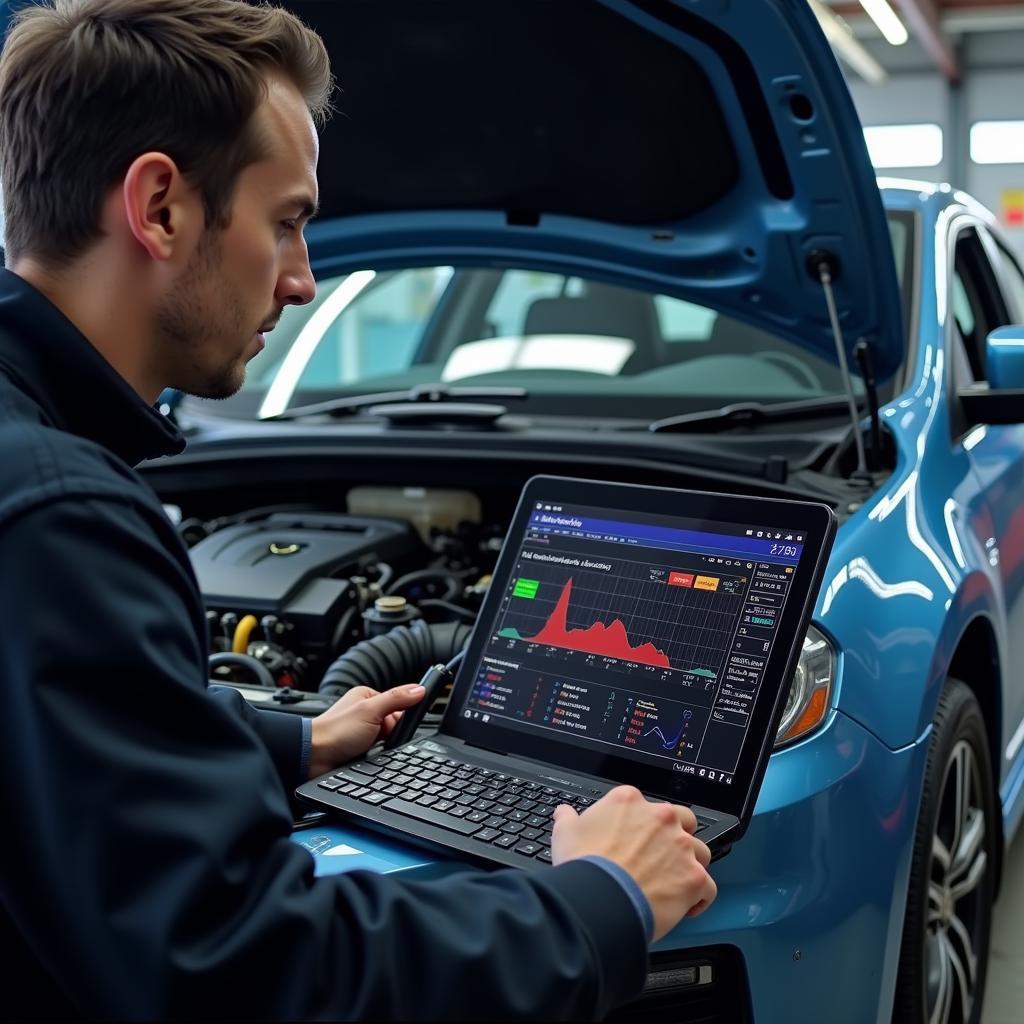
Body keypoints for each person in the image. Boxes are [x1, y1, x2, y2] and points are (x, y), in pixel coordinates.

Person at [0, 1, 717, 1018]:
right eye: (286, 220)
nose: (302, 280)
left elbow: (52, 755)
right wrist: (600, 900)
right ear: (159, 208)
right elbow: (249, 973)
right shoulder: (58, 518)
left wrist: (292, 741)